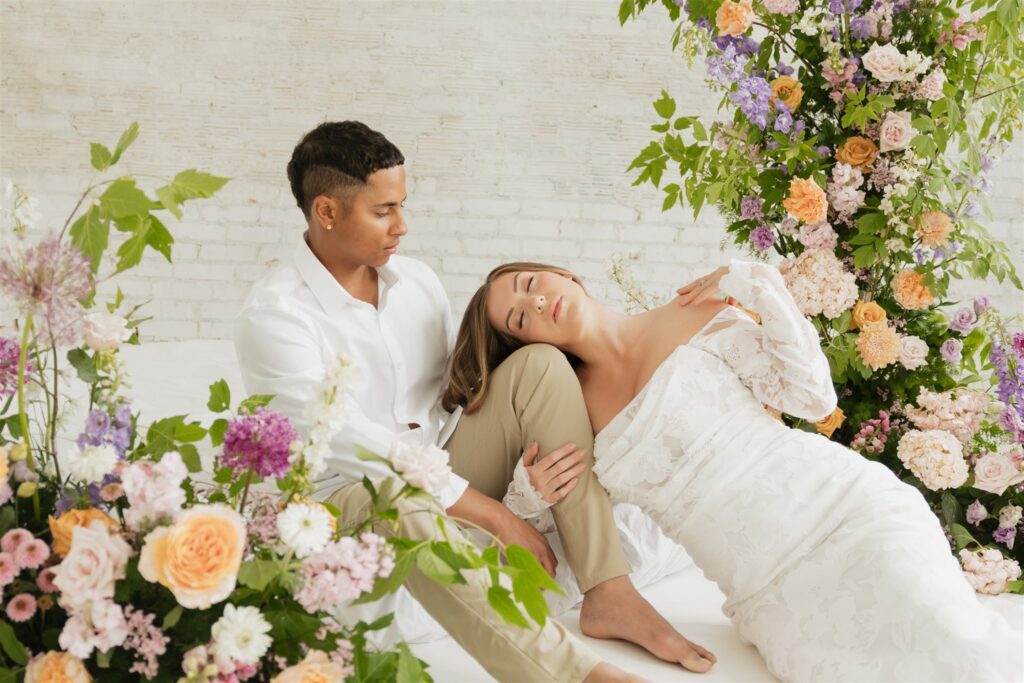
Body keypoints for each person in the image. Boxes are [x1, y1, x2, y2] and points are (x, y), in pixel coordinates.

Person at [233, 121, 715, 683]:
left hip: (443, 461)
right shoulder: (274, 315)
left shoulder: (415, 281)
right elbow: (346, 443)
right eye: (384, 211)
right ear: (327, 211)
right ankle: (574, 675)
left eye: (402, 206)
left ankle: (609, 592)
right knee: (398, 497)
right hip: (344, 495)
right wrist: (499, 515)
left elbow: (455, 396)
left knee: (539, 364)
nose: (402, 226)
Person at [446, 259, 1024, 682]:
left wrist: (753, 284)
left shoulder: (691, 312)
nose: (537, 304)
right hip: (766, 583)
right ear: (528, 343)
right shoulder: (570, 407)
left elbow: (813, 398)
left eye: (529, 286)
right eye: (520, 319)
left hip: (846, 512)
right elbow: (572, 535)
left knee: (957, 645)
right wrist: (526, 495)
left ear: (562, 274)